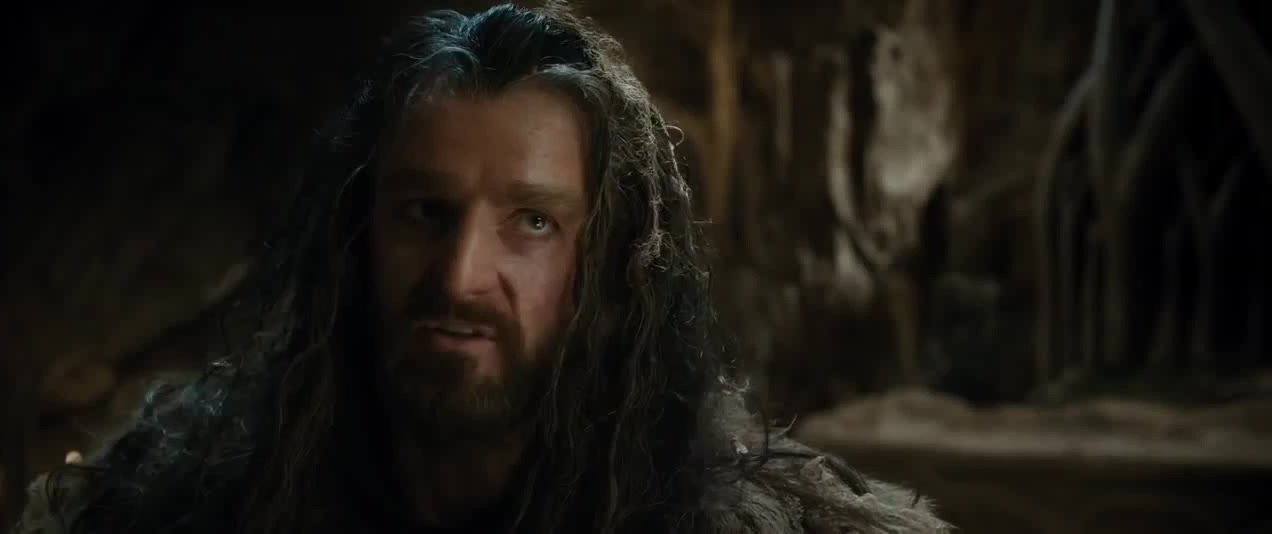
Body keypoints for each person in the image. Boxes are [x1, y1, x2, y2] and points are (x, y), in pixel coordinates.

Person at [15, 4, 948, 533]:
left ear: (607, 267)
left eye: (532, 222)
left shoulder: (733, 521)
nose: (460, 276)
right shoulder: (187, 503)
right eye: (424, 213)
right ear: (358, 234)